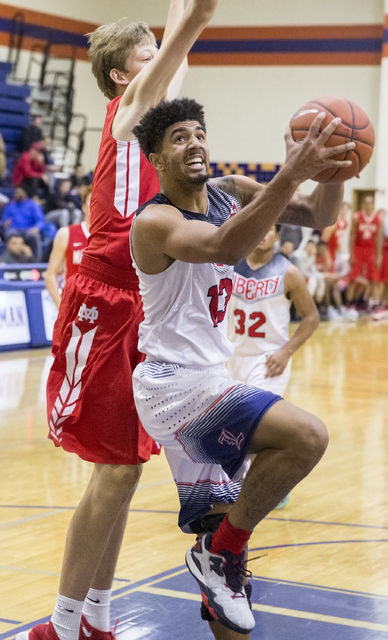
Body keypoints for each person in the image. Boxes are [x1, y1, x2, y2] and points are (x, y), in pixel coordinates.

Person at [16, 5, 219, 640]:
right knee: (116, 469)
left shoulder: (158, 113)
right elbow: (188, 33)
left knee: (126, 472)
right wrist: (194, 16)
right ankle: (61, 621)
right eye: (146, 51)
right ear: (118, 73)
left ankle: (96, 617)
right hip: (104, 303)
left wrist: (182, 17)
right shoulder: (127, 115)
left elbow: (181, 41)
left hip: (149, 300)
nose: (162, 55)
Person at [130, 97, 356, 634]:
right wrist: (290, 172)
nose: (195, 143)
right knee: (307, 437)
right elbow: (223, 245)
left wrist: (333, 170)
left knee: (230, 579)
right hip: (174, 386)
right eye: (178, 138)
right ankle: (220, 551)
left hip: (209, 379)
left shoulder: (230, 192)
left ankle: (220, 558)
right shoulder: (154, 222)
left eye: (199, 132)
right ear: (157, 160)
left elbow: (321, 217)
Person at [44, 186, 91, 308]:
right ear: (84, 207)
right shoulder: (66, 234)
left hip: (99, 312)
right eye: (92, 201)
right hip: (72, 306)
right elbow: (50, 275)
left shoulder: (110, 238)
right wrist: (62, 309)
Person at [346, 194, 383, 313]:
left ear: (373, 205)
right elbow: (352, 236)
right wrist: (351, 254)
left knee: (374, 278)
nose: (368, 205)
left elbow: (378, 239)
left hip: (371, 250)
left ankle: (375, 305)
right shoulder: (356, 217)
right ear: (363, 204)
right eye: (366, 203)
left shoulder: (378, 219)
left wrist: (379, 255)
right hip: (358, 249)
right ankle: (349, 305)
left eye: (370, 203)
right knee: (353, 278)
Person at [1, 185, 45, 259]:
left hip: (28, 230)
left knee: (34, 236)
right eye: (16, 192)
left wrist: (37, 228)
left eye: (19, 192)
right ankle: (8, 260)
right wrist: (5, 222)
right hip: (14, 230)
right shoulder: (10, 205)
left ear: (25, 193)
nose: (17, 194)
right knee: (10, 234)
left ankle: (36, 260)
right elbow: (4, 220)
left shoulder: (33, 205)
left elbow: (40, 220)